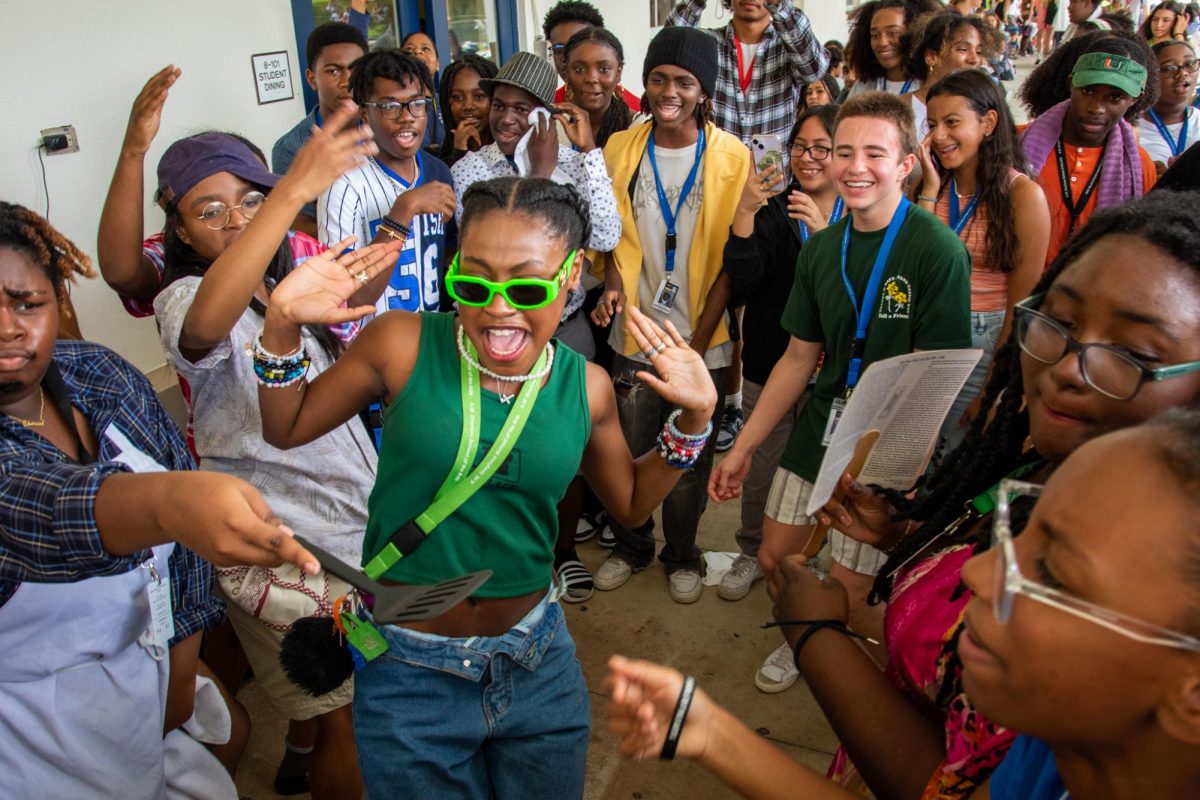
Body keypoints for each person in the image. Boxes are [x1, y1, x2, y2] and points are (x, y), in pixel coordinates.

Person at [254, 175, 718, 798]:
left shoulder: (587, 388)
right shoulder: (401, 345)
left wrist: (695, 421)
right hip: (409, 667)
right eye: (473, 285)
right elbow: (285, 427)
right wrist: (281, 322)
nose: (498, 309)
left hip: (536, 662)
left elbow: (631, 503)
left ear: (572, 273)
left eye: (526, 286)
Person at [791, 189, 1200, 797]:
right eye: (1057, 322)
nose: (1066, 365)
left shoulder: (1141, 598)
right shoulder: (1034, 461)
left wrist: (815, 637)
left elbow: (947, 784)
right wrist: (907, 535)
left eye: (1133, 354)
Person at [606, 408, 1200, 800]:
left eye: (1051, 571)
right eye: (1014, 536)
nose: (976, 570)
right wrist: (706, 730)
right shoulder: (1049, 760)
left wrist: (816, 634)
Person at [0, 202, 320, 798]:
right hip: (33, 722)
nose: (8, 328)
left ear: (57, 299)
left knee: (227, 739)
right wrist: (170, 504)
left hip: (152, 669)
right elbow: (37, 508)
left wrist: (180, 661)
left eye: (26, 303)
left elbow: (184, 556)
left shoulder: (97, 374)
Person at [709, 91, 972, 694]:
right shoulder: (823, 248)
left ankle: (843, 665)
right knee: (778, 559)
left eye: (874, 154)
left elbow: (936, 377)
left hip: (886, 443)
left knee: (854, 592)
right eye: (844, 152)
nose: (855, 167)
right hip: (821, 425)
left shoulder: (936, 250)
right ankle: (804, 636)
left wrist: (906, 472)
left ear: (906, 163)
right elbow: (799, 356)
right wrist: (745, 445)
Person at [153, 110, 381, 800]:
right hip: (281, 542)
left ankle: (299, 748)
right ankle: (317, 748)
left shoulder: (279, 280)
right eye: (210, 210)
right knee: (348, 717)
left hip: (345, 519)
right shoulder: (185, 295)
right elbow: (202, 332)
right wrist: (287, 196)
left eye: (251, 198)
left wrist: (372, 272)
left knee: (340, 689)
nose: (237, 219)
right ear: (181, 230)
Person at [590, 26, 748, 604]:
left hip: (701, 337)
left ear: (704, 90)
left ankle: (682, 552)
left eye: (684, 81)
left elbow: (735, 262)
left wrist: (697, 344)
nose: (669, 91)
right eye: (658, 78)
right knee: (632, 450)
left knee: (688, 459)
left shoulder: (733, 157)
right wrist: (610, 279)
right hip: (635, 333)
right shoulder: (621, 149)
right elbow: (608, 237)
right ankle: (633, 545)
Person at [717, 104, 842, 603]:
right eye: (800, 148)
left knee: (817, 474)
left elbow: (849, 297)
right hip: (770, 361)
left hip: (830, 374)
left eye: (821, 149)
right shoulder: (773, 206)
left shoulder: (859, 213)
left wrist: (826, 234)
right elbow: (745, 283)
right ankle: (751, 550)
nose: (808, 159)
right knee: (759, 463)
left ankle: (804, 559)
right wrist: (746, 212)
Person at [915, 70, 1049, 454]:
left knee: (955, 452)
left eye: (952, 122)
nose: (939, 136)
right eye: (933, 124)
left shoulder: (1022, 195)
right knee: (912, 457)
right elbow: (913, 256)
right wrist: (927, 190)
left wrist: (995, 384)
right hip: (924, 331)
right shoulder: (930, 183)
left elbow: (1022, 305)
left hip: (981, 338)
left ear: (988, 122)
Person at [318, 50, 456, 317]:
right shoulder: (343, 183)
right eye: (390, 106)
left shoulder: (438, 171)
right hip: (372, 346)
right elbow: (347, 297)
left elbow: (445, 259)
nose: (407, 117)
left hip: (427, 337)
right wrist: (403, 210)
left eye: (417, 103)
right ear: (365, 114)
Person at [1019, 38, 1159, 265]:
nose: (1096, 107)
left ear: (1135, 99)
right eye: (1088, 90)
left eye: (1115, 97)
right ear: (1071, 84)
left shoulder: (1141, 167)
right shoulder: (1016, 143)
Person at [665, 0, 829, 143]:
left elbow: (815, 70)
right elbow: (669, 45)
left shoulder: (787, 47)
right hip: (716, 172)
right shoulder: (709, 43)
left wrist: (780, 6)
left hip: (772, 175)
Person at [271, 21, 368, 236]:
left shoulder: (382, 129)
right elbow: (297, 225)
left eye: (356, 70)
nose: (347, 82)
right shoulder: (290, 147)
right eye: (334, 71)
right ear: (311, 78)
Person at [900, 10, 994, 137]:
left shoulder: (983, 107)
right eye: (963, 49)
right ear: (932, 57)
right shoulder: (899, 109)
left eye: (978, 51)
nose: (974, 59)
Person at [845, 0, 944, 97]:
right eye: (875, 35)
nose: (882, 42)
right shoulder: (862, 88)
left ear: (915, 35)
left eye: (893, 33)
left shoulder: (931, 87)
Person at [562, 26, 636, 150]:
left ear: (618, 73)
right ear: (566, 73)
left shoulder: (637, 128)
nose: (591, 79)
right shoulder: (553, 127)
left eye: (604, 69)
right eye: (579, 69)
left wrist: (587, 147)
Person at [1139, 40, 1200, 175]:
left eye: (1189, 64)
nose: (1183, 73)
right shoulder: (1131, 128)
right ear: (1150, 76)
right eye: (1168, 68)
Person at [437, 55, 500, 168]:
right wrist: (459, 152)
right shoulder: (437, 164)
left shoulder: (512, 156)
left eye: (479, 96)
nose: (468, 106)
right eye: (457, 97)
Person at [402, 30, 448, 149]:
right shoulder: (397, 105)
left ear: (438, 63)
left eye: (425, 49)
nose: (417, 52)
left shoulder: (447, 102)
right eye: (409, 50)